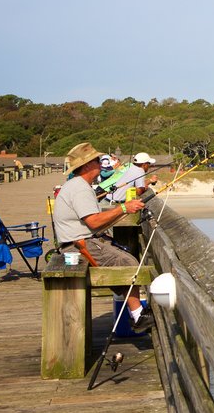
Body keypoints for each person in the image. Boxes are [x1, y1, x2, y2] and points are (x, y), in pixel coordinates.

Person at [53, 142, 153, 332]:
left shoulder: (77, 185)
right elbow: (94, 222)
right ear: (88, 165)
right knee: (129, 262)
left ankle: (136, 312)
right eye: (98, 161)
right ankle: (138, 315)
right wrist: (124, 208)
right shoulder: (80, 188)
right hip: (78, 246)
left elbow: (94, 222)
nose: (101, 164)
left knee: (123, 258)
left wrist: (123, 210)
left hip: (76, 242)